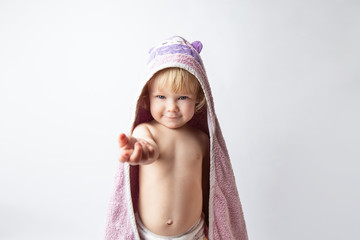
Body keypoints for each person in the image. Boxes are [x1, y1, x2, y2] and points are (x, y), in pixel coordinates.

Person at [105, 36, 248, 240]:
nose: (172, 107)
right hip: (149, 236)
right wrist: (141, 151)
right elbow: (149, 150)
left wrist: (213, 226)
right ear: (147, 97)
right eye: (161, 97)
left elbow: (212, 187)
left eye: (183, 98)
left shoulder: (201, 140)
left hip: (194, 234)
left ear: (198, 99)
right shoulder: (146, 131)